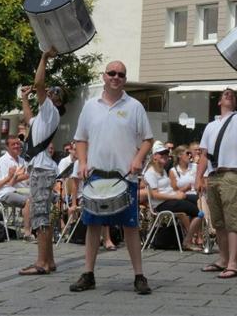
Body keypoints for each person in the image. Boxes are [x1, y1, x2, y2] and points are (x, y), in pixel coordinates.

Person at [69, 60, 153, 294]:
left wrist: (138, 159)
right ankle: (88, 274)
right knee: (93, 225)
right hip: (96, 175)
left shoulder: (135, 106)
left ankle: (139, 276)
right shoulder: (90, 106)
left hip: (124, 177)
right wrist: (82, 162)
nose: (116, 77)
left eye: (121, 74)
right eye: (112, 73)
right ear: (104, 76)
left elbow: (148, 139)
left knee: (130, 226)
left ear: (125, 79)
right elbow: (81, 138)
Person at [195, 69, 237, 279]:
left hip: (230, 174)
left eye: (232, 95)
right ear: (219, 102)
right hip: (213, 175)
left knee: (232, 220)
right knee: (218, 221)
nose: (228, 95)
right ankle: (222, 259)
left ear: (235, 103)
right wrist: (198, 177)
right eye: (225, 94)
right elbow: (204, 155)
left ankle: (233, 263)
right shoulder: (211, 126)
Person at [18, 49, 64, 276]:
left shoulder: (51, 110)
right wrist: (24, 99)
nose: (49, 91)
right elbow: (29, 119)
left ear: (58, 101)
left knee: (40, 214)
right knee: (42, 212)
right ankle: (49, 260)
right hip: (42, 168)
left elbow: (38, 83)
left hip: (43, 169)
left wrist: (44, 58)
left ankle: (41, 262)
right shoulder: (43, 117)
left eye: (54, 92)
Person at [145, 142, 203, 251]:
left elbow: (170, 188)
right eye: (161, 154)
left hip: (170, 199)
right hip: (162, 204)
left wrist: (178, 193)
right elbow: (155, 195)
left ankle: (194, 236)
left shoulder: (162, 170)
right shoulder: (150, 172)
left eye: (166, 154)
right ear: (155, 156)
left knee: (199, 200)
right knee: (199, 213)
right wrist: (175, 197)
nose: (165, 156)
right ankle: (188, 240)